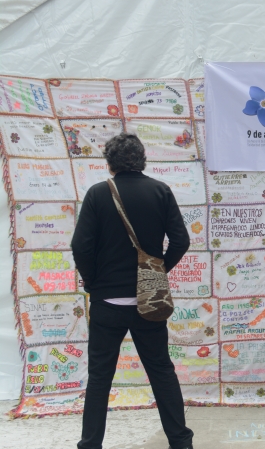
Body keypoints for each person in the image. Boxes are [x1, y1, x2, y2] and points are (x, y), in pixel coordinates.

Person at [72, 134, 193, 449]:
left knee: (100, 378)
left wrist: (92, 282)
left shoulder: (98, 194)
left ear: (109, 164)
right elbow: (181, 241)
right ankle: (181, 443)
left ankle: (90, 445)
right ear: (142, 161)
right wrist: (157, 273)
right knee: (161, 371)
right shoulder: (160, 191)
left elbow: (80, 246)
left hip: (107, 303)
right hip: (148, 300)